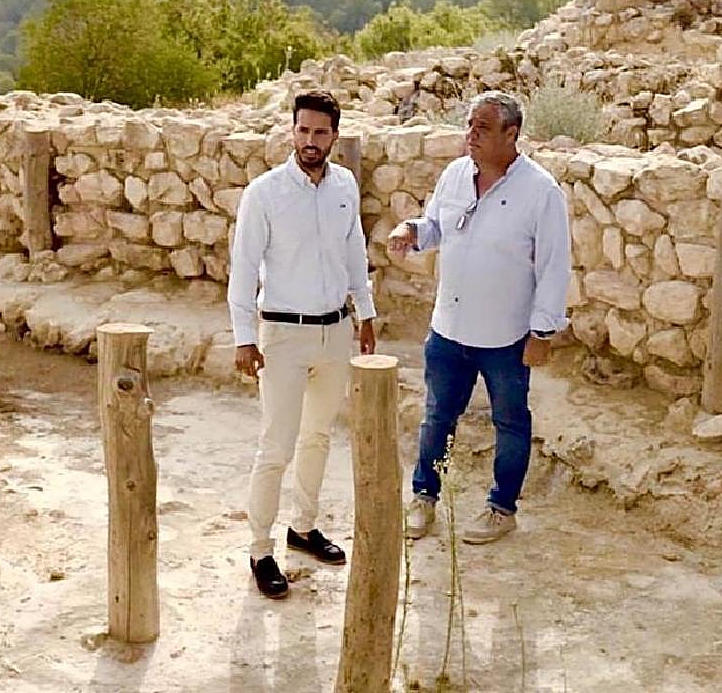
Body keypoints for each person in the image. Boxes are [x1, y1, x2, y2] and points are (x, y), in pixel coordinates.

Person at [387, 90, 571, 545]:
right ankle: (424, 497)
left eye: (483, 128)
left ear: (512, 134)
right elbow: (437, 227)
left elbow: (553, 266)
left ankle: (501, 508)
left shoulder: (541, 192)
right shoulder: (455, 174)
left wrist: (543, 331)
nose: (471, 135)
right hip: (448, 329)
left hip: (506, 336)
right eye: (470, 125)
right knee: (437, 416)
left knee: (510, 422)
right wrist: (411, 230)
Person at [228, 89, 377, 599]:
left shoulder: (345, 186)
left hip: (334, 330)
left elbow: (354, 250)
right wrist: (245, 338)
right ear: (292, 131)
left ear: (334, 136)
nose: (310, 141)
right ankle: (259, 549)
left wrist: (367, 312)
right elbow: (244, 269)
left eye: (320, 132)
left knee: (318, 437)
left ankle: (304, 528)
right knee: (276, 446)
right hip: (282, 335)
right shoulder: (265, 192)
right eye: (302, 130)